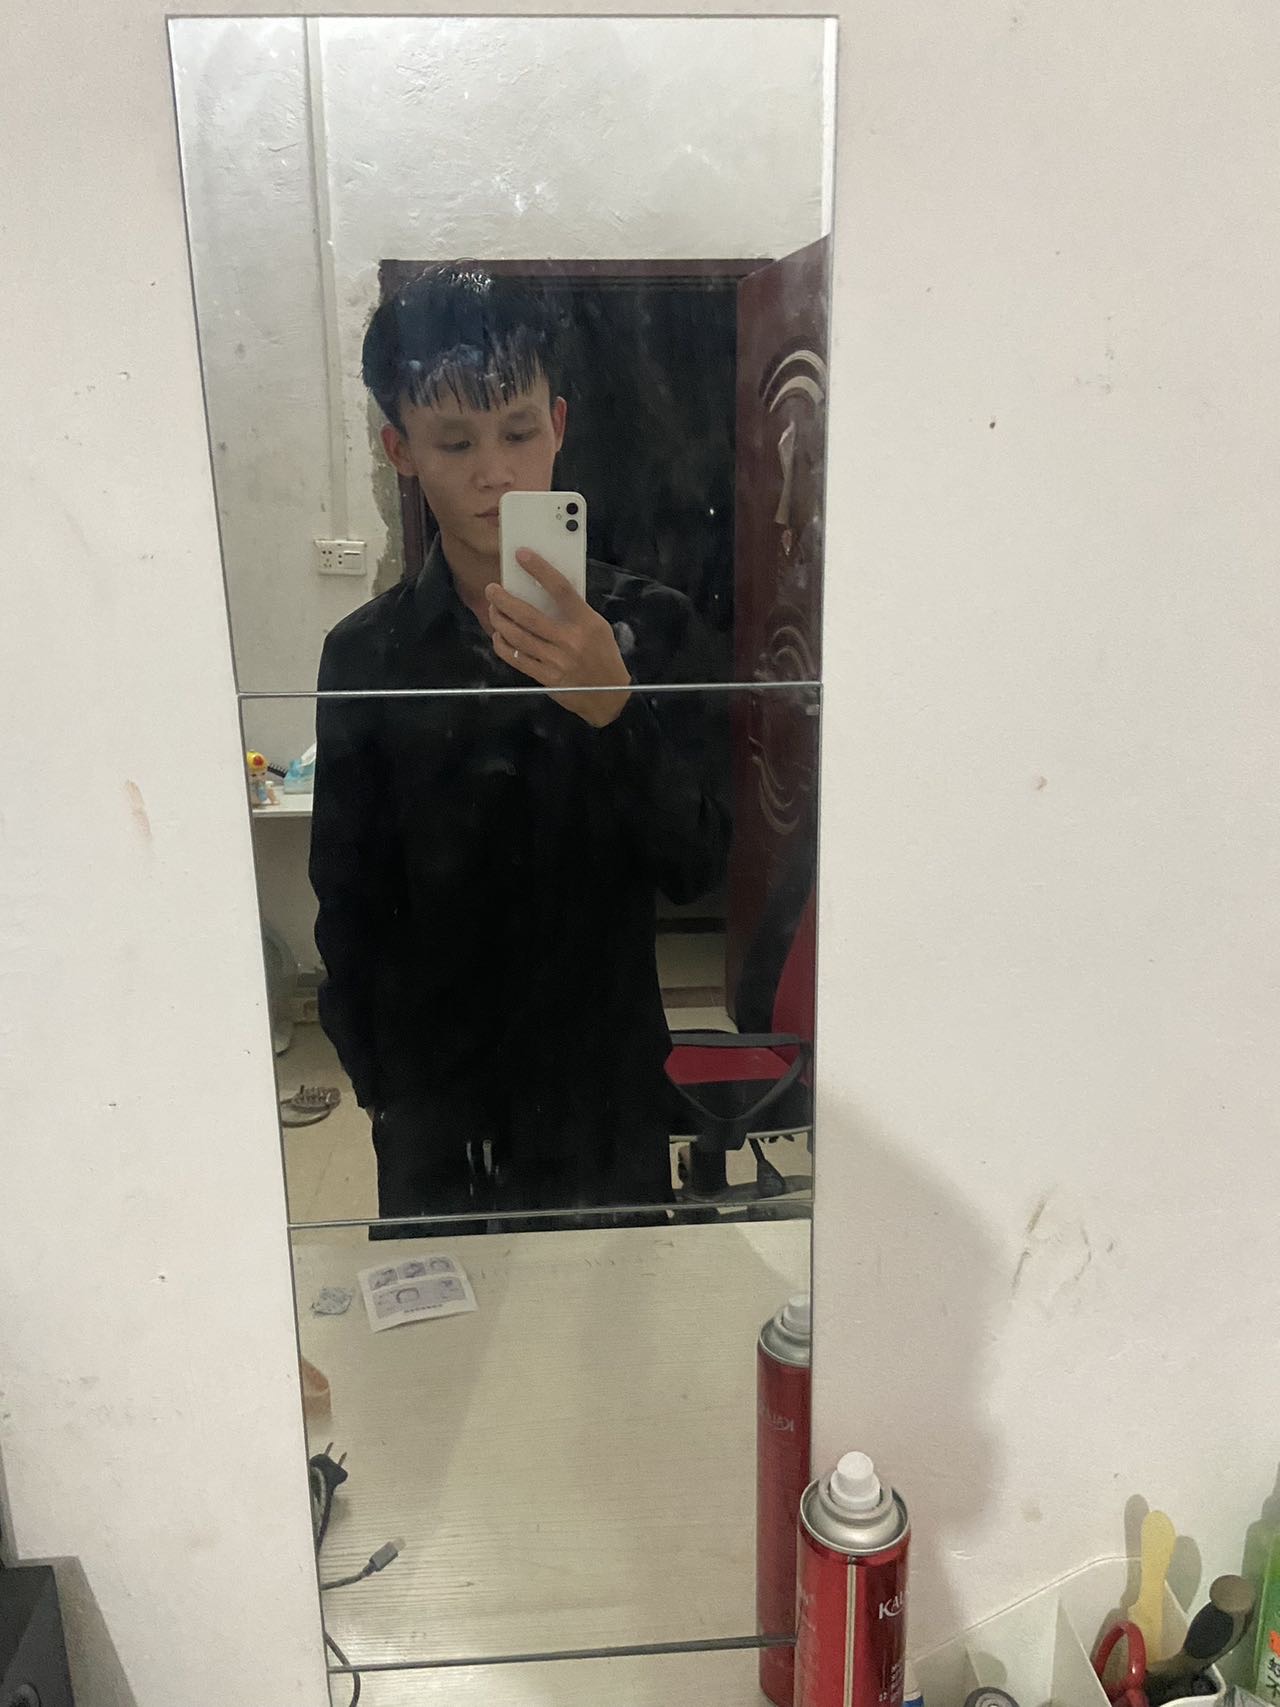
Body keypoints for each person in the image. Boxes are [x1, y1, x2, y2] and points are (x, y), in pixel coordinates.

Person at [309, 263, 729, 1232]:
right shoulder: (367, 654)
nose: (493, 472)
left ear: (560, 425)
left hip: (603, 1094)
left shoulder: (651, 630)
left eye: (518, 431)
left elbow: (699, 861)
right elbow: (346, 899)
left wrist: (615, 710)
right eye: (454, 441)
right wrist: (382, 1087)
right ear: (399, 449)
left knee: (613, 1328)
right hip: (433, 1108)